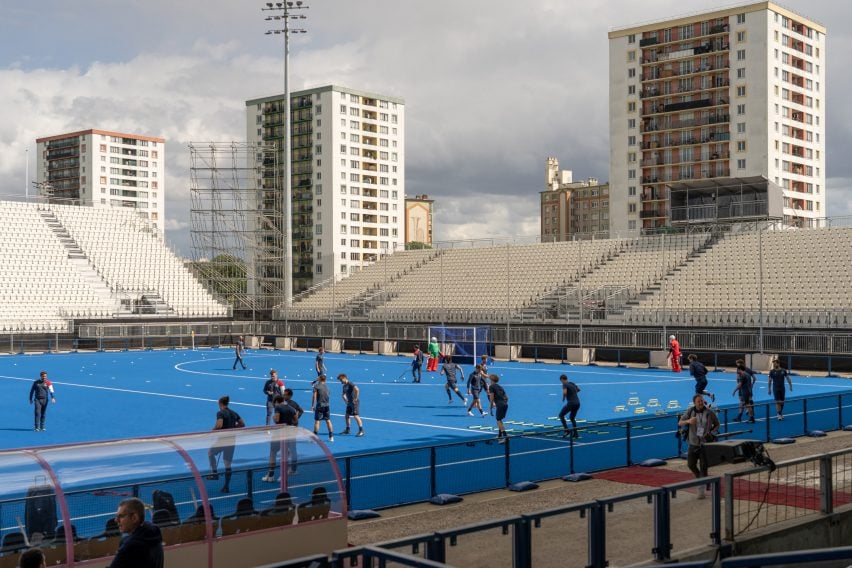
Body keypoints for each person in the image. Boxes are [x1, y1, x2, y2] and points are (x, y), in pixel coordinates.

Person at [677, 394, 720, 499]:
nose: (700, 403)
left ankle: (701, 490)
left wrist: (712, 433)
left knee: (703, 467)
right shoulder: (690, 411)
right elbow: (680, 422)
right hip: (693, 443)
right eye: (698, 401)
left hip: (705, 444)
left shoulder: (709, 412)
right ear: (694, 403)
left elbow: (717, 424)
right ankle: (701, 478)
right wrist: (688, 421)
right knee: (691, 464)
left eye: (701, 401)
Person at [109, 497, 164, 568]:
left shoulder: (130, 547)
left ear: (134, 518)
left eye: (121, 516)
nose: (116, 520)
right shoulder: (154, 535)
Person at [207, 395, 245, 493]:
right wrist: (233, 427)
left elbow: (219, 425)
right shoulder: (233, 413)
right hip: (232, 440)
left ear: (220, 403)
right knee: (227, 463)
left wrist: (213, 430)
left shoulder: (220, 413)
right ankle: (226, 486)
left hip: (222, 440)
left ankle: (214, 473)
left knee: (210, 453)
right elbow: (242, 424)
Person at [262, 394, 299, 482]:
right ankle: (283, 475)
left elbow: (277, 420)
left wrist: (274, 418)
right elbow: (295, 420)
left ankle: (271, 475)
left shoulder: (278, 407)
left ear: (276, 402)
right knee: (286, 454)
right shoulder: (291, 408)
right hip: (289, 432)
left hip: (278, 433)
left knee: (273, 453)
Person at [558, 374, 581, 439]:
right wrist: (573, 393)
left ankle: (566, 430)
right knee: (572, 418)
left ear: (562, 379)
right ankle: (576, 434)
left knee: (561, 415)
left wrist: (563, 398)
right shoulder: (572, 383)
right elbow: (579, 389)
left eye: (561, 381)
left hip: (571, 403)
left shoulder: (564, 384)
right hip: (577, 403)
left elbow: (565, 392)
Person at [312, 374, 334, 442]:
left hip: (319, 406)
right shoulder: (327, 387)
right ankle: (331, 436)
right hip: (327, 405)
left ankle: (315, 437)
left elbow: (314, 396)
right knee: (328, 420)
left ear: (319, 379)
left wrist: (313, 405)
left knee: (317, 421)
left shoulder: (316, 386)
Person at [488, 374, 509, 441]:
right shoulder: (500, 387)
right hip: (505, 404)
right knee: (499, 420)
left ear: (491, 380)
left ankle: (505, 437)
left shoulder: (491, 387)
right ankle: (500, 435)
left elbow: (491, 398)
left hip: (500, 405)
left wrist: (491, 408)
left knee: (498, 420)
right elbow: (506, 397)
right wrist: (504, 403)